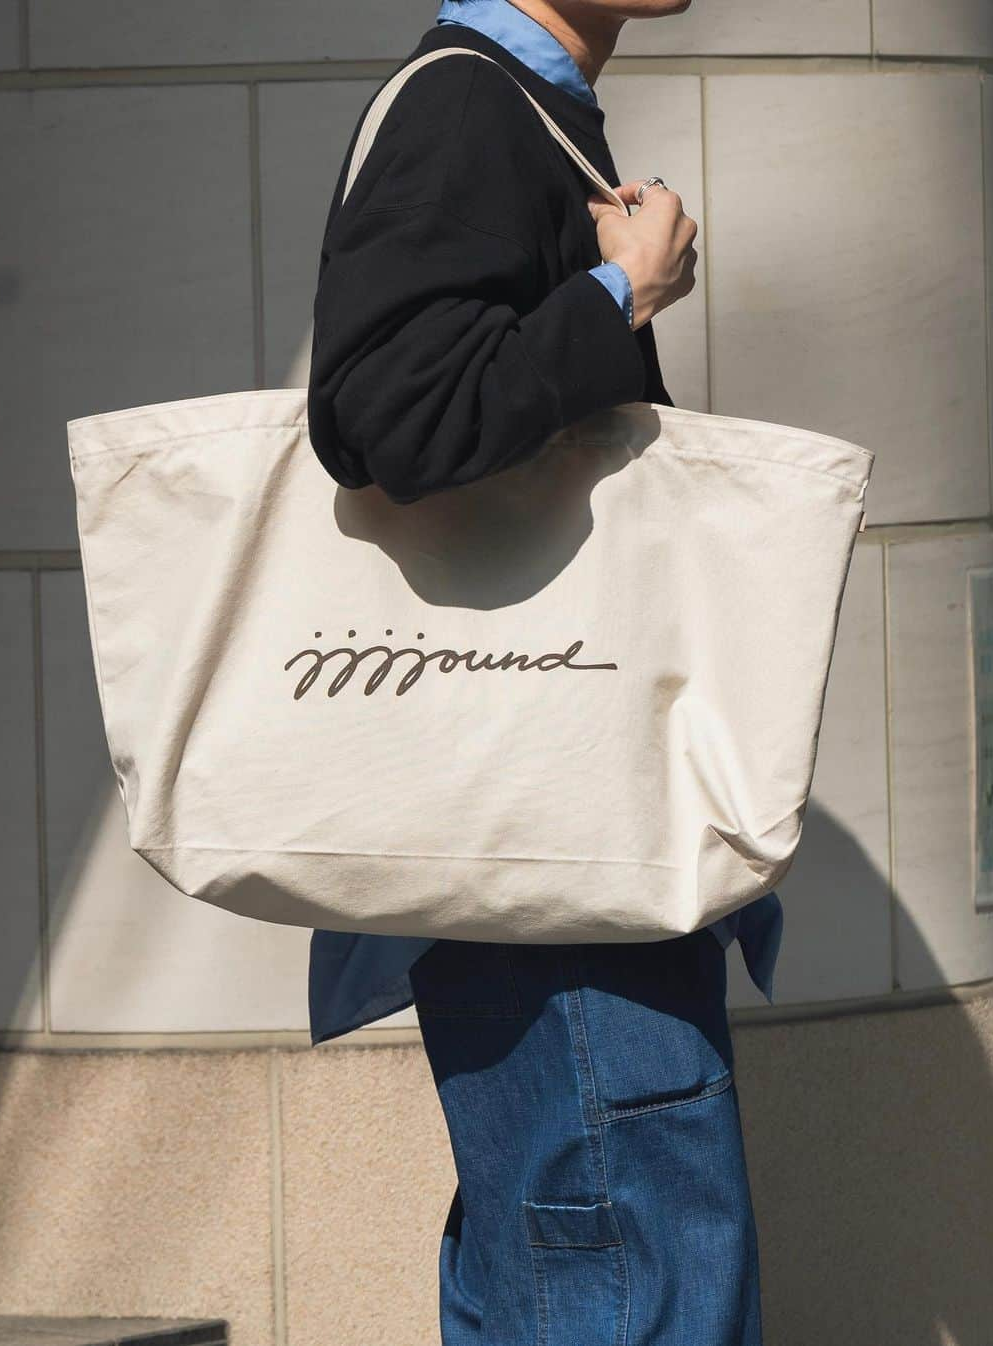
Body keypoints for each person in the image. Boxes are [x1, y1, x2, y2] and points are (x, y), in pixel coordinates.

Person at [306, 2, 784, 1341]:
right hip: (556, 872)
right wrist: (615, 293)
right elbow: (390, 412)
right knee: (633, 1285)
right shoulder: (468, 108)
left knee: (576, 1280)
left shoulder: (536, 108)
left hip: (560, 859)